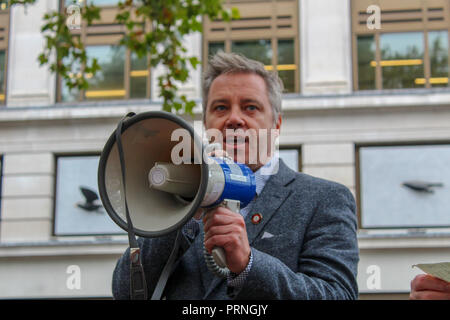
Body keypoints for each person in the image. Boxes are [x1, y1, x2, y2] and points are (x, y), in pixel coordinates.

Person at [112, 51, 359, 299]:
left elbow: (337, 294)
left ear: (276, 125)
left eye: (250, 107)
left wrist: (249, 265)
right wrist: (183, 211)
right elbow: (126, 291)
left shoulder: (324, 199)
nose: (233, 119)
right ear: (206, 123)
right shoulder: (177, 203)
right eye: (220, 108)